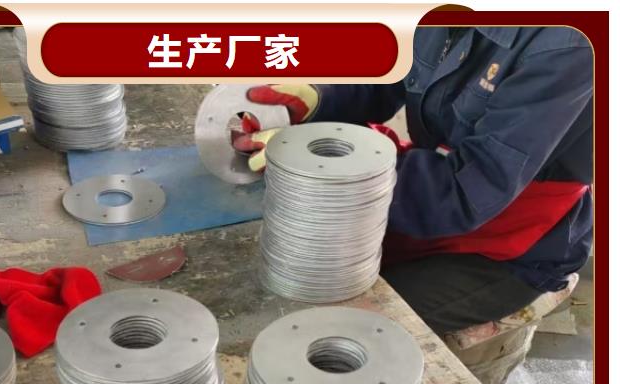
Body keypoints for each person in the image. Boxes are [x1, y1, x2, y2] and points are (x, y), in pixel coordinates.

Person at [234, 26, 593, 336]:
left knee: (344, 329)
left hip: (507, 249)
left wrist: (326, 169)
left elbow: (466, 193)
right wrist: (320, 100)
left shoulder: (567, 46)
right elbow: (383, 79)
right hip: (429, 193)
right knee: (299, 274)